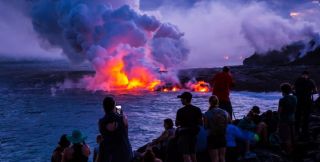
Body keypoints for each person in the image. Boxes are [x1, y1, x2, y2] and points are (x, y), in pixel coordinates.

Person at [98, 96, 133, 162]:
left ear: (103, 108)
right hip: (127, 154)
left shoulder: (101, 122)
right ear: (114, 106)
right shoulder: (123, 119)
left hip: (112, 157)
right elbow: (120, 111)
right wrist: (116, 106)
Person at [175, 92, 203, 162]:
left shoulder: (180, 111)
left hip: (184, 135)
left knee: (186, 155)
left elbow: (176, 124)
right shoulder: (197, 109)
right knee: (193, 154)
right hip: (194, 134)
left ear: (185, 99)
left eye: (181, 99)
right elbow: (200, 123)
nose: (181, 100)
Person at [204, 95, 229, 162]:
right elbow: (227, 124)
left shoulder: (207, 113)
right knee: (222, 158)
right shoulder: (225, 112)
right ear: (218, 102)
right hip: (222, 136)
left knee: (215, 159)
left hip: (212, 137)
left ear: (209, 102)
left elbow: (205, 127)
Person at [294, 71, 317, 139]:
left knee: (299, 116)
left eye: (304, 75)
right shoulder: (310, 81)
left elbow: (294, 90)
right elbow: (315, 91)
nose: (304, 76)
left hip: (300, 101)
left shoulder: (298, 80)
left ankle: (298, 131)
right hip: (306, 101)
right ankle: (304, 131)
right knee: (304, 116)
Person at [278, 83, 297, 154]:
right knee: (292, 136)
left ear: (283, 91)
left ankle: (289, 152)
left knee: (286, 137)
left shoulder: (282, 100)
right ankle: (293, 150)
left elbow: (279, 111)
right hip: (292, 118)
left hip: (284, 120)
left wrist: (278, 120)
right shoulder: (295, 98)